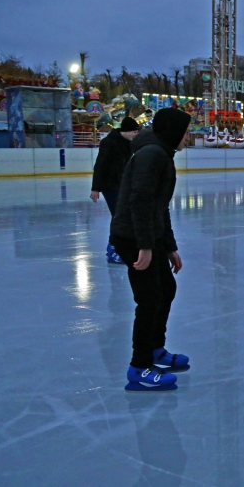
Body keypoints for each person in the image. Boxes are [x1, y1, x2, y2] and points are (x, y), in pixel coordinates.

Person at [110, 108, 191, 392]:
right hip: (132, 236)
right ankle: (139, 367)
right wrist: (144, 246)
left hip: (146, 235)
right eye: (185, 131)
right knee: (149, 300)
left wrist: (169, 247)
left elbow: (159, 206)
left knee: (165, 289)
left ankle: (156, 350)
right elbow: (141, 202)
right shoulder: (152, 155)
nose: (188, 137)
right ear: (173, 132)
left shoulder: (161, 154)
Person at [90, 116, 139, 263]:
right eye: (135, 132)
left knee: (121, 216)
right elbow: (100, 165)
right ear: (127, 131)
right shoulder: (109, 142)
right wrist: (95, 189)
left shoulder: (129, 143)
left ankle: (116, 248)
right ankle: (114, 249)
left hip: (122, 185)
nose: (136, 134)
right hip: (109, 185)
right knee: (119, 216)